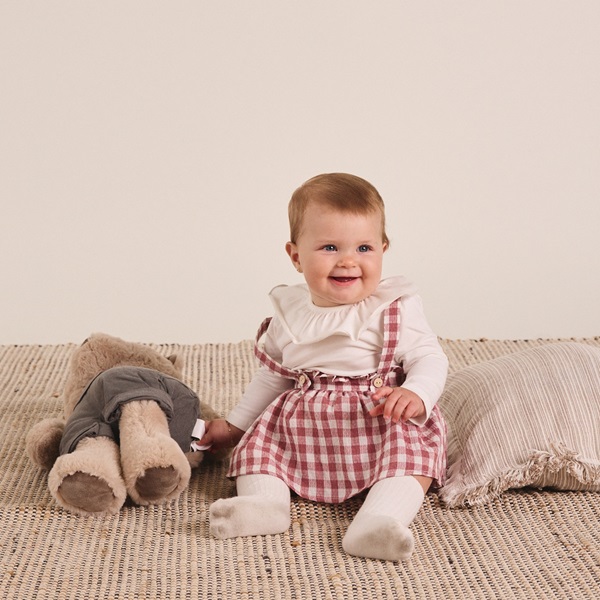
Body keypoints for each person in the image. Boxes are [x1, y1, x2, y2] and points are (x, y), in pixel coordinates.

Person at [200, 173, 448, 561]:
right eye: (330, 247)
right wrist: (235, 426)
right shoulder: (291, 312)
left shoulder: (394, 307)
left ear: (383, 249)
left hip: (377, 418)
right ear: (296, 256)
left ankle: (377, 521)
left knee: (413, 459)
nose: (349, 260)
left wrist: (415, 393)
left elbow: (429, 357)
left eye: (364, 247)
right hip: (302, 423)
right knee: (259, 452)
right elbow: (274, 375)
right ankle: (266, 505)